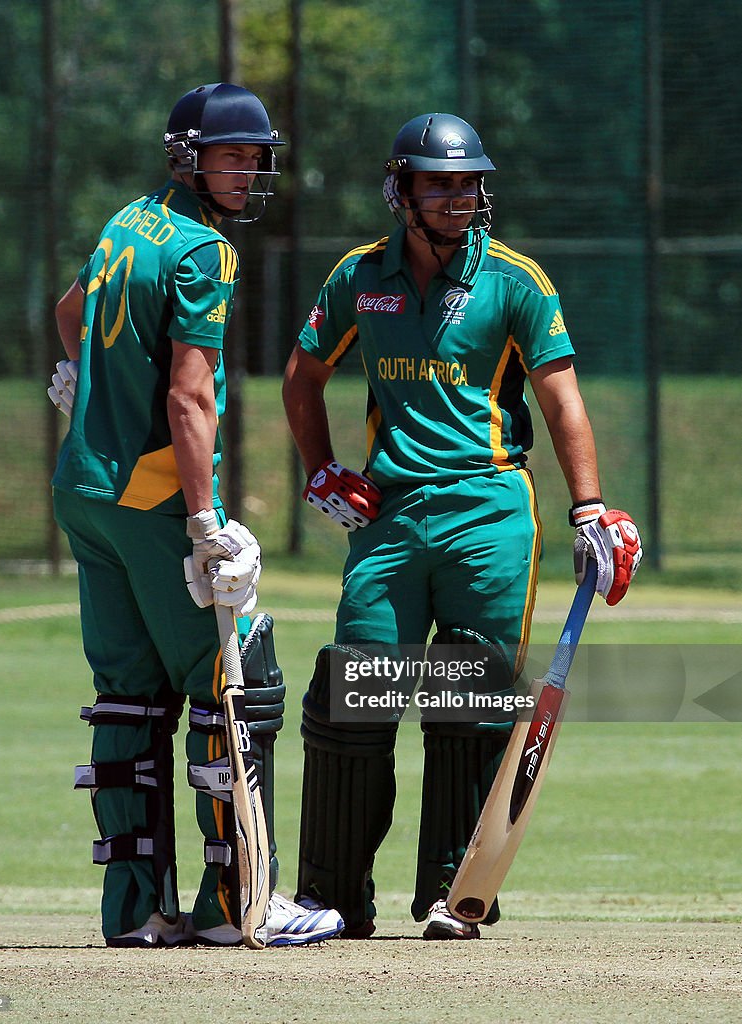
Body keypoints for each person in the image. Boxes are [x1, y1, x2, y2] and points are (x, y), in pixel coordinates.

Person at [282, 112, 642, 939]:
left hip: (488, 513)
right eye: (438, 183)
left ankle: (453, 895)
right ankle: (332, 900)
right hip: (390, 515)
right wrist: (320, 470)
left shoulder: (516, 280)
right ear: (399, 190)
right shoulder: (357, 276)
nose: (457, 197)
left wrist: (587, 505)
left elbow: (560, 399)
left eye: (468, 182)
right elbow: (302, 379)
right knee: (355, 689)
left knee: (469, 698)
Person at [50, 82, 344, 948]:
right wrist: (206, 518)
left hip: (85, 490)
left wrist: (86, 388)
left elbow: (69, 315)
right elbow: (190, 398)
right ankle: (239, 906)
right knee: (238, 678)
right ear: (187, 154)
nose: (249, 169)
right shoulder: (203, 253)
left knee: (129, 698)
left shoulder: (125, 221)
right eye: (233, 153)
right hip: (149, 497)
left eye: (256, 155)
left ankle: (135, 909)